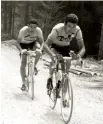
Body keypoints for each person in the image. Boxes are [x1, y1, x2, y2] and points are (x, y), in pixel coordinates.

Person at [43, 13, 86, 95]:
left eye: (73, 26)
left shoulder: (77, 30)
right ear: (65, 23)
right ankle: (50, 76)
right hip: (54, 46)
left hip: (66, 47)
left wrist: (78, 56)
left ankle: (64, 96)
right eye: (69, 26)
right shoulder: (57, 29)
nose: (71, 28)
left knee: (66, 71)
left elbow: (83, 48)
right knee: (55, 60)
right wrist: (53, 55)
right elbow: (45, 45)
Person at [16, 19, 44, 91]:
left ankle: (34, 66)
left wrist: (40, 49)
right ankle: (23, 83)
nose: (32, 29)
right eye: (31, 27)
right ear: (28, 25)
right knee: (23, 63)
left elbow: (42, 43)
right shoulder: (23, 31)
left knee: (39, 51)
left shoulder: (38, 30)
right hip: (23, 44)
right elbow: (17, 43)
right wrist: (21, 50)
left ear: (37, 27)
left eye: (34, 27)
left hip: (32, 43)